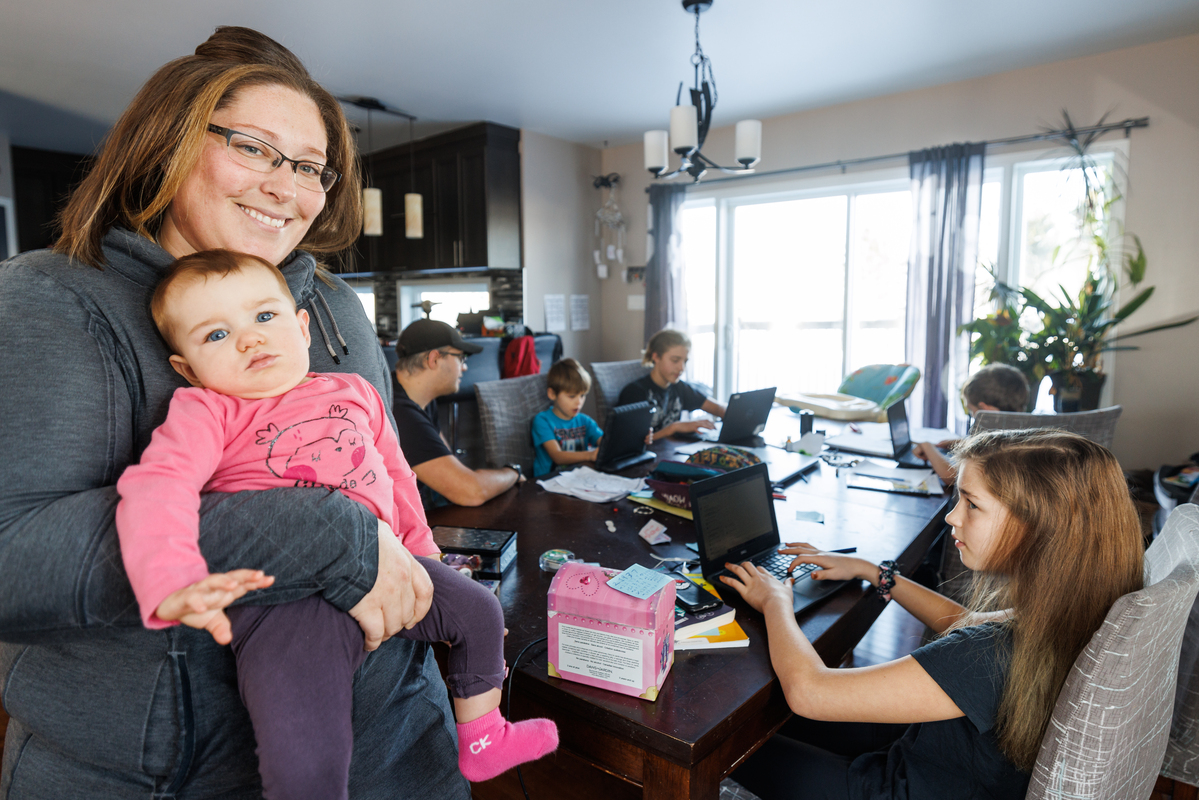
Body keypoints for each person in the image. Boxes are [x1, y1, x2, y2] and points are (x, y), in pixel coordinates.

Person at [0, 27, 467, 798]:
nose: (288, 188)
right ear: (168, 143)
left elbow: (382, 467)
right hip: (174, 776)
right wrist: (330, 535)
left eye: (312, 167)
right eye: (253, 148)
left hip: (400, 736)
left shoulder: (338, 308)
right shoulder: (50, 300)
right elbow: (12, 558)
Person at [116, 250, 558, 796]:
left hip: (391, 566)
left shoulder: (355, 391)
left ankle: (484, 736)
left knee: (480, 611)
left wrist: (425, 558)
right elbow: (159, 486)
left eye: (264, 317)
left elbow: (399, 481)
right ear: (186, 366)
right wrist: (170, 577)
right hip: (286, 598)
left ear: (302, 328)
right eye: (215, 335)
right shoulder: (206, 410)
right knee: (306, 742)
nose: (250, 340)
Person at [721, 429, 1143, 800]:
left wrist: (776, 601)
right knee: (769, 719)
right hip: (939, 762)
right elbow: (967, 624)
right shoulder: (1074, 609)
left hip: (889, 788)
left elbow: (810, 692)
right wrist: (876, 573)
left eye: (971, 504)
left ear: (1037, 526)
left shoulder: (990, 653)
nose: (951, 517)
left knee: (726, 743)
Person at [392, 319, 524, 507]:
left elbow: (451, 467)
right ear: (434, 359)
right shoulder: (399, 413)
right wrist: (513, 471)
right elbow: (470, 491)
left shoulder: (419, 400)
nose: (464, 367)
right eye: (461, 358)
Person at [912, 364, 1031, 483]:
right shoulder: (1021, 437)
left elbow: (953, 477)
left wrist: (927, 446)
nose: (972, 415)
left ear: (985, 410)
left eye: (971, 410)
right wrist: (963, 443)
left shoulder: (998, 445)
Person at [617, 328, 726, 441]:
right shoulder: (634, 393)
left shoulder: (680, 387)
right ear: (656, 357)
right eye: (675, 360)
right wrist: (674, 428)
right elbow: (633, 441)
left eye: (685, 361)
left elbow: (719, 409)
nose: (681, 368)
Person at [531, 358, 604, 477]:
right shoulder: (542, 421)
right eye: (572, 396)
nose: (579, 402)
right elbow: (557, 456)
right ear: (552, 394)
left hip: (580, 478)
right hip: (550, 482)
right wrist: (590, 455)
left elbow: (605, 442)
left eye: (582, 395)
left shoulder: (585, 421)